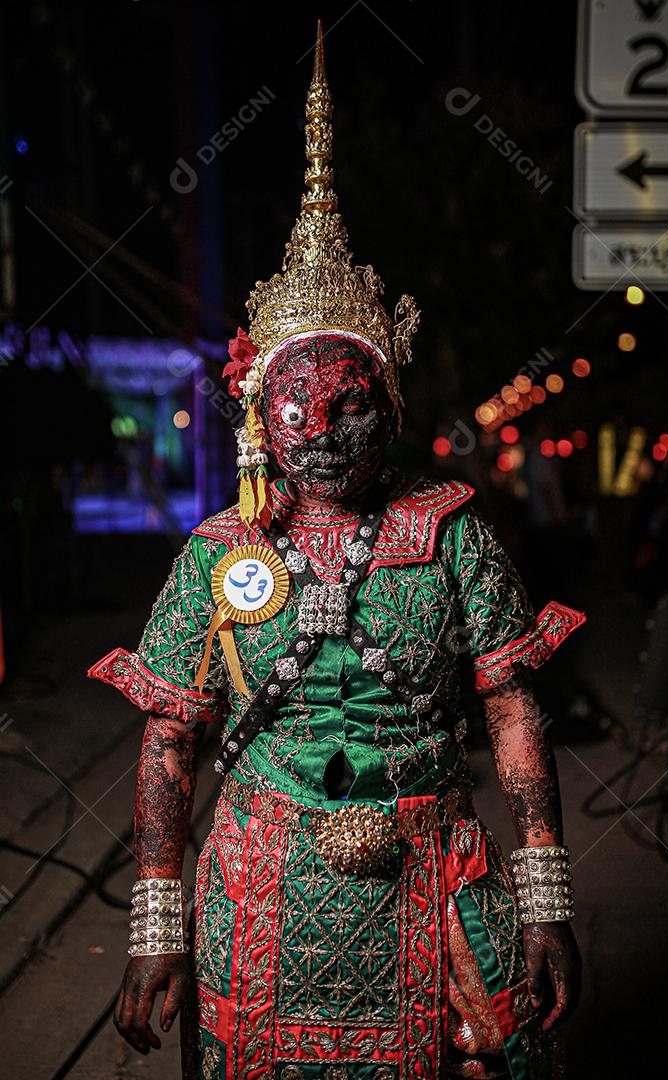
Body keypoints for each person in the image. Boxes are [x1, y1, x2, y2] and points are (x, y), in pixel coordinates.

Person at [88, 24, 585, 1079]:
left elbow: (511, 710)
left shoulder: (452, 537)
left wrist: (545, 899)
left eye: (349, 404)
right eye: (296, 408)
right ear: (259, 417)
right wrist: (153, 927)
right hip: (258, 881)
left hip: (435, 874)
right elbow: (171, 743)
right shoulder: (218, 557)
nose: (320, 429)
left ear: (391, 409)